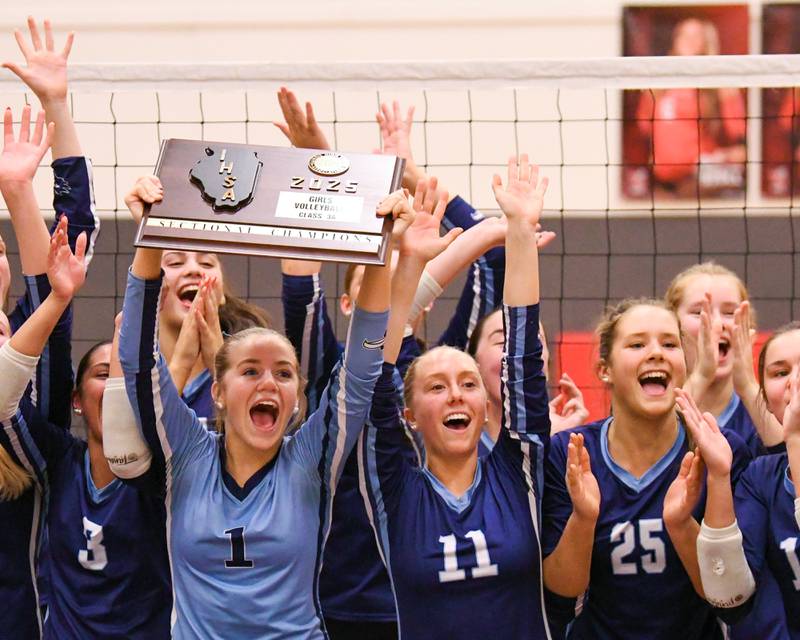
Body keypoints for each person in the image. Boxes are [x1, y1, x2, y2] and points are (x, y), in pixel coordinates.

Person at [115, 176, 432, 637]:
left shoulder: (310, 458)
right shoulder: (185, 454)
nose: (269, 382)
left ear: (298, 397)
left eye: (283, 373)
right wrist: (150, 233)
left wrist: (380, 250)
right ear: (218, 391)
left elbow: (363, 369)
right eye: (250, 371)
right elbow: (138, 364)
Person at [359, 155, 553, 638]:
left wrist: (519, 236)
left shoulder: (518, 467)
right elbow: (375, 371)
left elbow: (523, 357)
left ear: (487, 402)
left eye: (468, 384)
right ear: (410, 414)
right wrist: (409, 265)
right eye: (436, 387)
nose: (456, 396)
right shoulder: (395, 489)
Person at [542, 297, 752, 639]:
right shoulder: (570, 453)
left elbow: (729, 600)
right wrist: (583, 518)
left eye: (670, 344)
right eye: (637, 344)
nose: (656, 353)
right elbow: (562, 594)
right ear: (603, 369)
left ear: (684, 364)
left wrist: (681, 525)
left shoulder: (720, 451)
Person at [0, 221, 170, 639]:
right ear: (77, 398)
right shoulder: (58, 461)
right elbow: (3, 402)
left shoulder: (164, 473)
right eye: (102, 374)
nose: (115, 387)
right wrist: (59, 298)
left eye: (122, 378)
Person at [123, 175, 270, 423]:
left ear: (222, 294)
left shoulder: (258, 366)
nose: (194, 270)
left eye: (207, 262)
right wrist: (150, 230)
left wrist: (218, 361)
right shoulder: (133, 364)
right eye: (175, 262)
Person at [691, 322, 800, 638]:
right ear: (766, 401)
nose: (795, 382)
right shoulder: (761, 477)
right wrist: (720, 476)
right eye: (780, 374)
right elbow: (729, 599)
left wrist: (794, 438)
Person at [635, 17, 746, 198]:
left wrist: (721, 157)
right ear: (675, 40)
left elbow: (739, 137)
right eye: (684, 35)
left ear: (706, 43)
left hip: (699, 183)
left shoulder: (717, 85)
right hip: (663, 187)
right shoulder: (657, 85)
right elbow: (643, 127)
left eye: (696, 36)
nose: (689, 41)